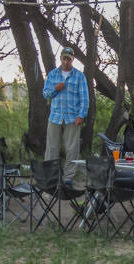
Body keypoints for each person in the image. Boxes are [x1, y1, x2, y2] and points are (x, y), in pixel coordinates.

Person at [42, 47, 88, 186]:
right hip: (55, 116)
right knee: (52, 148)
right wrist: (55, 89)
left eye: (69, 58)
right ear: (60, 58)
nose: (66, 61)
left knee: (72, 149)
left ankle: (68, 178)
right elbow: (45, 94)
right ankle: (51, 177)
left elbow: (84, 98)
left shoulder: (79, 76)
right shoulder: (52, 74)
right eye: (64, 58)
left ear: (73, 59)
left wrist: (81, 115)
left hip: (72, 118)